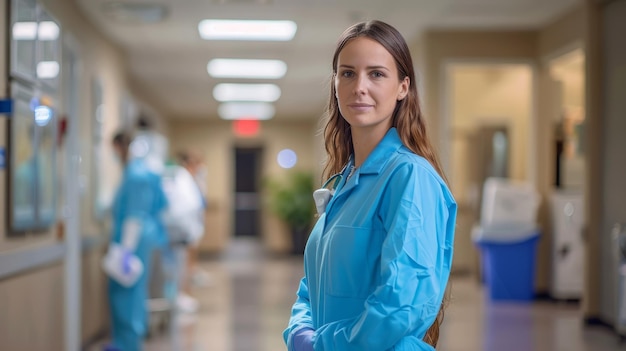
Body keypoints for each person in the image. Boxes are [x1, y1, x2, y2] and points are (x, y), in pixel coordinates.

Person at [283, 20, 457, 351]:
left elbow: (400, 306)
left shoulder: (410, 178)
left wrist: (324, 344)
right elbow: (313, 283)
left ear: (403, 87)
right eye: (347, 73)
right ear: (334, 83)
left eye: (376, 74)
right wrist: (299, 329)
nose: (359, 86)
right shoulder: (347, 181)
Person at [105, 130, 169, 351]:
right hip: (141, 240)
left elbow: (134, 216)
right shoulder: (143, 172)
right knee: (132, 292)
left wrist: (126, 251)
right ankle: (125, 342)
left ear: (121, 147)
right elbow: (161, 204)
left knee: (127, 293)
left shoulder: (136, 175)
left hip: (133, 243)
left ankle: (128, 344)